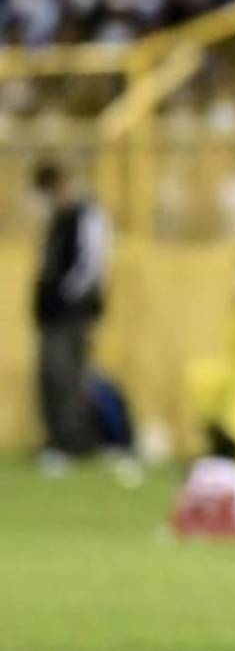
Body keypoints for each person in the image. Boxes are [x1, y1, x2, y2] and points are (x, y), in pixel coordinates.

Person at [31, 159, 110, 471]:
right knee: (51, 377)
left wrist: (67, 298)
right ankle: (56, 441)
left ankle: (71, 444)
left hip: (71, 314)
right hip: (51, 314)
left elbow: (91, 265)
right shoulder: (57, 218)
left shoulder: (85, 215)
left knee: (67, 378)